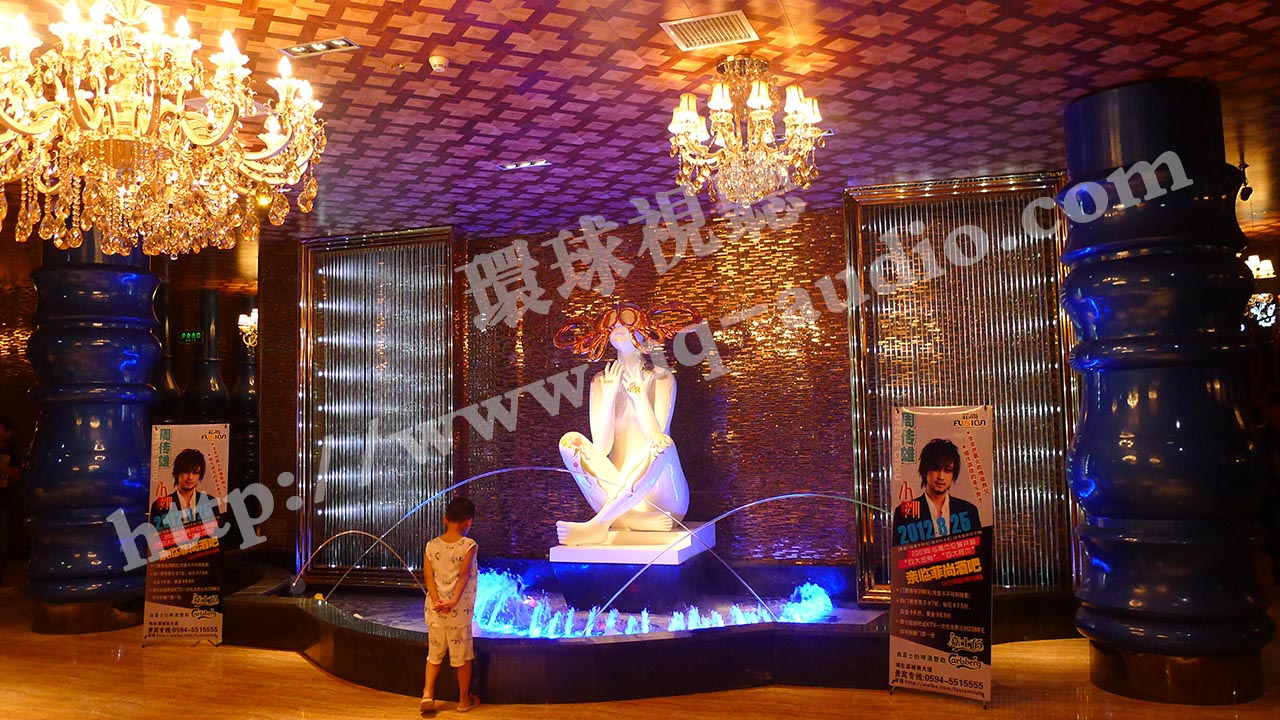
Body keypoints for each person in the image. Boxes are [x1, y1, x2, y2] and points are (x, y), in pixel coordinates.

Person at [551, 301, 701, 546]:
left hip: (662, 495)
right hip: (615, 491)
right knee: (570, 442)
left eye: (627, 320)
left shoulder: (662, 378)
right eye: (612, 322)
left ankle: (600, 523)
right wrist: (609, 398)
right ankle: (631, 518)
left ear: (644, 330)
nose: (618, 326)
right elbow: (601, 447)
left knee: (662, 443)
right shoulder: (601, 382)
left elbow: (657, 438)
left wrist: (639, 396)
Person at [421, 497, 480, 715]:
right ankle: (464, 700)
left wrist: (437, 600)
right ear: (469, 521)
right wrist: (453, 601)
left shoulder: (431, 546)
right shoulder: (469, 545)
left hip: (435, 611)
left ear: (445, 519)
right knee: (462, 657)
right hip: (459, 612)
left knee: (434, 655)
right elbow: (464, 576)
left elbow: (428, 577)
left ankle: (428, 693)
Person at [892, 438, 981, 546]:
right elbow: (900, 554)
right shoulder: (905, 512)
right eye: (935, 469)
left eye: (947, 470)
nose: (941, 476)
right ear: (925, 471)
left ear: (953, 474)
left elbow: (978, 551)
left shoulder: (968, 511)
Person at [149, 448, 220, 533]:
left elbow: (216, 535)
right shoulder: (160, 505)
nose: (190, 477)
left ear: (199, 475)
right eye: (186, 472)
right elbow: (154, 537)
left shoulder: (210, 502)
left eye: (195, 472)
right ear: (177, 473)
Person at [0, 416, 21, 585]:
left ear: (7, 433)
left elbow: (16, 474)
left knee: (1, 542)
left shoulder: (12, 451)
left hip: (3, 501)